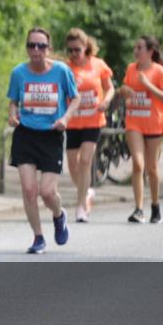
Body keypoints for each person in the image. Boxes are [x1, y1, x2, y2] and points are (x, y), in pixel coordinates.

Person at [7, 27, 80, 253]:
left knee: (47, 192)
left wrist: (66, 118)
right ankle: (38, 238)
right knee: (29, 190)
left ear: (49, 48)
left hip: (51, 135)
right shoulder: (19, 73)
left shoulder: (61, 71)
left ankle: (59, 215)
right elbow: (13, 100)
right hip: (26, 135)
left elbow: (75, 98)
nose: (36, 50)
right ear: (27, 48)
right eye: (31, 45)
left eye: (41, 46)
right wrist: (12, 115)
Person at [118, 35, 163, 224]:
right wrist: (125, 91)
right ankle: (139, 208)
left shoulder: (160, 72)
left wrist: (148, 85)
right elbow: (124, 88)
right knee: (138, 165)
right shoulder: (131, 69)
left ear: (150, 52)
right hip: (134, 122)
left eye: (139, 47)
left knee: (152, 168)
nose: (136, 51)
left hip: (154, 123)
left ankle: (155, 205)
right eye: (135, 47)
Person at [63, 28, 114, 223]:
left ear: (86, 47)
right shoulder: (66, 68)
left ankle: (81, 207)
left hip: (93, 119)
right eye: (70, 50)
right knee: (73, 165)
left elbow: (110, 88)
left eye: (77, 49)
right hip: (73, 120)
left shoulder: (98, 65)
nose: (74, 54)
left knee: (85, 161)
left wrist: (106, 101)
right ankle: (87, 192)